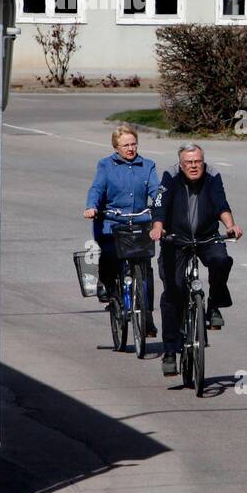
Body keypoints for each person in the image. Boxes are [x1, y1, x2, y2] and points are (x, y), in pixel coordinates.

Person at [149, 144, 243, 378]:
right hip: (175, 240)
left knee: (221, 260)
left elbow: (221, 204)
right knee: (173, 292)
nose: (193, 166)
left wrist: (230, 226)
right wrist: (158, 228)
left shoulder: (212, 176)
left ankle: (213, 306)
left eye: (197, 161)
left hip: (207, 236)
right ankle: (170, 351)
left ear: (203, 161)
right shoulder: (170, 177)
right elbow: (160, 205)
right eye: (189, 162)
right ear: (181, 164)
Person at [85, 125, 159, 337]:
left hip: (140, 223)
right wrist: (92, 207)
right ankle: (107, 284)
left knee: (146, 270)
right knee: (110, 254)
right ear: (116, 147)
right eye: (125, 145)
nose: (130, 148)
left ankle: (147, 316)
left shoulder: (148, 165)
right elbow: (97, 189)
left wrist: (162, 207)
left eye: (133, 144)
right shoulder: (106, 165)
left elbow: (157, 190)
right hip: (112, 222)